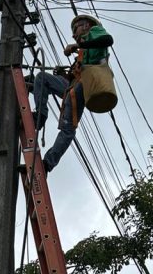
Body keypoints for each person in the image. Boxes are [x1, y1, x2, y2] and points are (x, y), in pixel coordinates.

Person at [32, 14, 114, 174]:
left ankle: (48, 163)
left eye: (75, 29)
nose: (74, 34)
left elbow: (108, 40)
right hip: (73, 86)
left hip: (85, 86)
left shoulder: (95, 32)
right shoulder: (83, 53)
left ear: (86, 26)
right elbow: (73, 77)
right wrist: (63, 74)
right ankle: (40, 116)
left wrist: (77, 47)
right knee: (42, 78)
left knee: (68, 130)